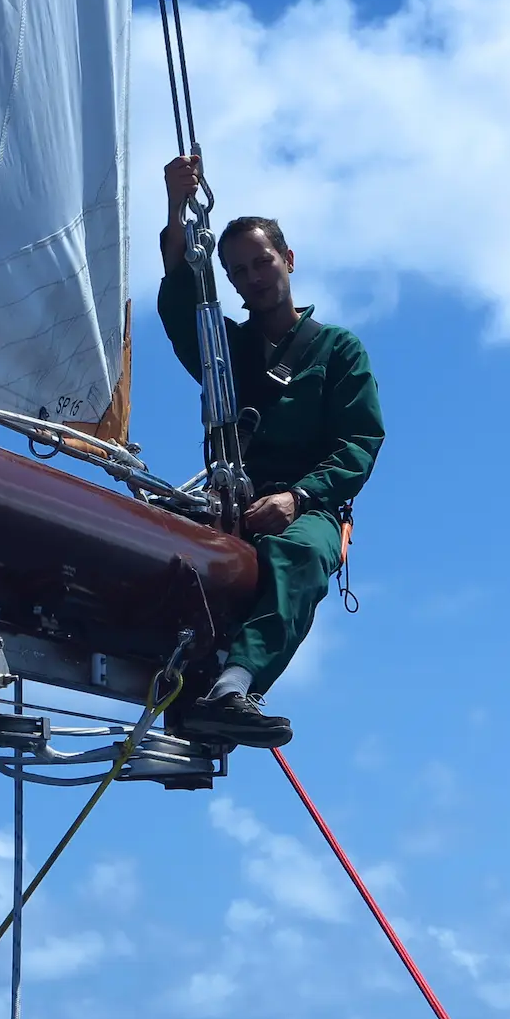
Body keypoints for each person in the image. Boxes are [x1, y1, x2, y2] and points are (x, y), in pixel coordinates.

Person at [156, 154, 385, 748]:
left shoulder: (337, 350)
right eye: (239, 271)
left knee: (302, 555)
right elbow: (181, 303)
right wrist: (178, 207)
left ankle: (234, 687)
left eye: (263, 261)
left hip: (306, 505)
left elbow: (360, 441)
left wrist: (299, 496)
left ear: (288, 260)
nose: (254, 276)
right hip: (229, 493)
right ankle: (169, 676)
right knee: (150, 535)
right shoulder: (223, 348)